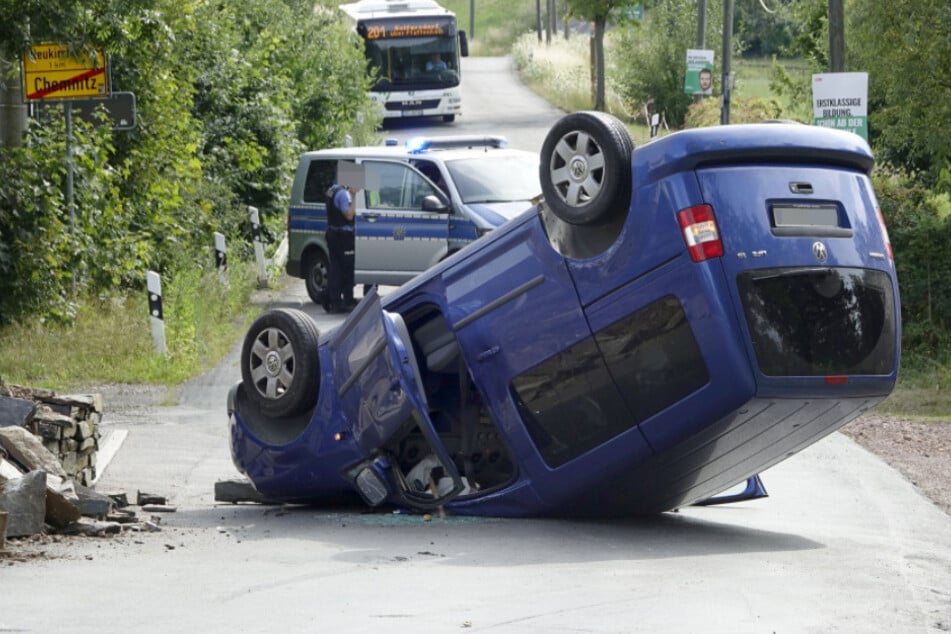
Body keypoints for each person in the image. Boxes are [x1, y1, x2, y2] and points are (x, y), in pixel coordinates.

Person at [324, 182, 358, 313]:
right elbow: (349, 215)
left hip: (333, 234)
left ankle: (333, 299)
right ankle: (347, 301)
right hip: (343, 236)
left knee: (335, 269)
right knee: (347, 269)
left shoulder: (331, 189)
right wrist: (353, 195)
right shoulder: (343, 194)